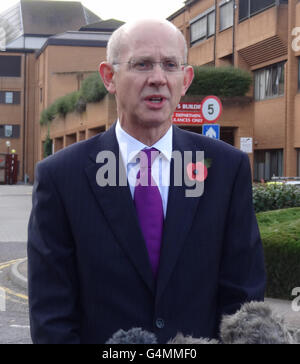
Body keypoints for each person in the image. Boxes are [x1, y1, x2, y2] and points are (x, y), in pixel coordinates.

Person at [27, 19, 266, 344]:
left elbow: (243, 298)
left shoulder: (227, 169)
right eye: (142, 64)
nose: (158, 78)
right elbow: (52, 315)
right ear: (109, 77)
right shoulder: (60, 177)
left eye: (170, 65)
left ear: (185, 80)